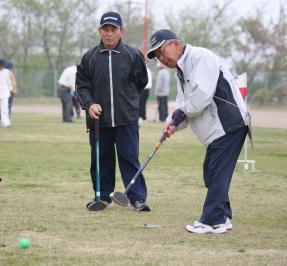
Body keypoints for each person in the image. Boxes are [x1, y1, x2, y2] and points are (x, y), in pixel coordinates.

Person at [147, 29, 250, 233]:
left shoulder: (201, 57)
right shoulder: (181, 70)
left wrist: (178, 116)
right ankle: (223, 217)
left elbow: (201, 97)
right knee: (211, 173)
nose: (161, 58)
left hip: (229, 124)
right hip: (216, 131)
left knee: (218, 173)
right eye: (156, 55)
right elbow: (183, 106)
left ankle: (212, 220)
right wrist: (172, 123)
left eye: (161, 51)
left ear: (175, 44)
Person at [76, 11, 150, 211]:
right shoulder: (89, 57)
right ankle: (102, 197)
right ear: (99, 31)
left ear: (121, 31)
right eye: (105, 29)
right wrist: (90, 104)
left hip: (127, 119)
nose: (109, 34)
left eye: (113, 29)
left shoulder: (133, 55)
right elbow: (81, 86)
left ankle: (138, 198)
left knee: (130, 158)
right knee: (101, 159)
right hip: (99, 121)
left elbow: (141, 82)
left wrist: (128, 102)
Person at [0, 59, 12, 127]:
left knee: (4, 109)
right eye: (0, 65)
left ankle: (6, 122)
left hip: (5, 93)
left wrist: (11, 89)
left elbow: (9, 82)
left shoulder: (7, 72)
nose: (1, 67)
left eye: (2, 65)